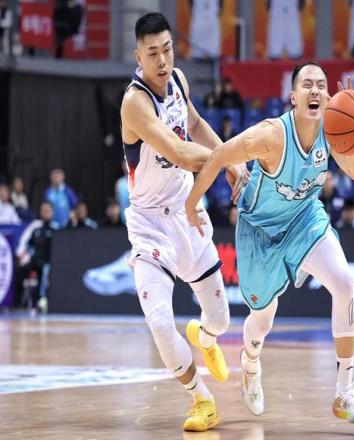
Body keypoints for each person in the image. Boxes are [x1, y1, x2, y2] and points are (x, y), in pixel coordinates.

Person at [186, 63, 354, 423]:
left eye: (322, 85)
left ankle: (345, 392)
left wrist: (353, 119)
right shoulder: (271, 135)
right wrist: (190, 204)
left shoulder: (332, 130)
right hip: (260, 231)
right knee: (262, 319)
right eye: (307, 84)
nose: (315, 90)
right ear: (293, 97)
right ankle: (251, 363)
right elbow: (219, 155)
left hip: (304, 219)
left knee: (344, 282)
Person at [120, 12, 247, 432]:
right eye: (152, 53)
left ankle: (205, 338)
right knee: (159, 322)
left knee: (221, 320)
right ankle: (202, 399)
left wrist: (225, 150)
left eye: (167, 49)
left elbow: (192, 123)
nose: (162, 60)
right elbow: (177, 151)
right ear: (138, 56)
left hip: (186, 211)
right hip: (149, 224)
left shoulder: (178, 80)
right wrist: (228, 159)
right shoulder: (135, 103)